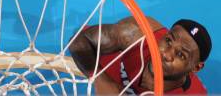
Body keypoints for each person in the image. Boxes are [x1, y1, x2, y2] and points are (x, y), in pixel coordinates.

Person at [69, 16, 211, 94]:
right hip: (101, 64)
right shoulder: (137, 33)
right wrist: (102, 81)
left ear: (196, 68)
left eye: (181, 55)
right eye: (168, 40)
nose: (166, 54)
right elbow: (78, 41)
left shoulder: (193, 93)